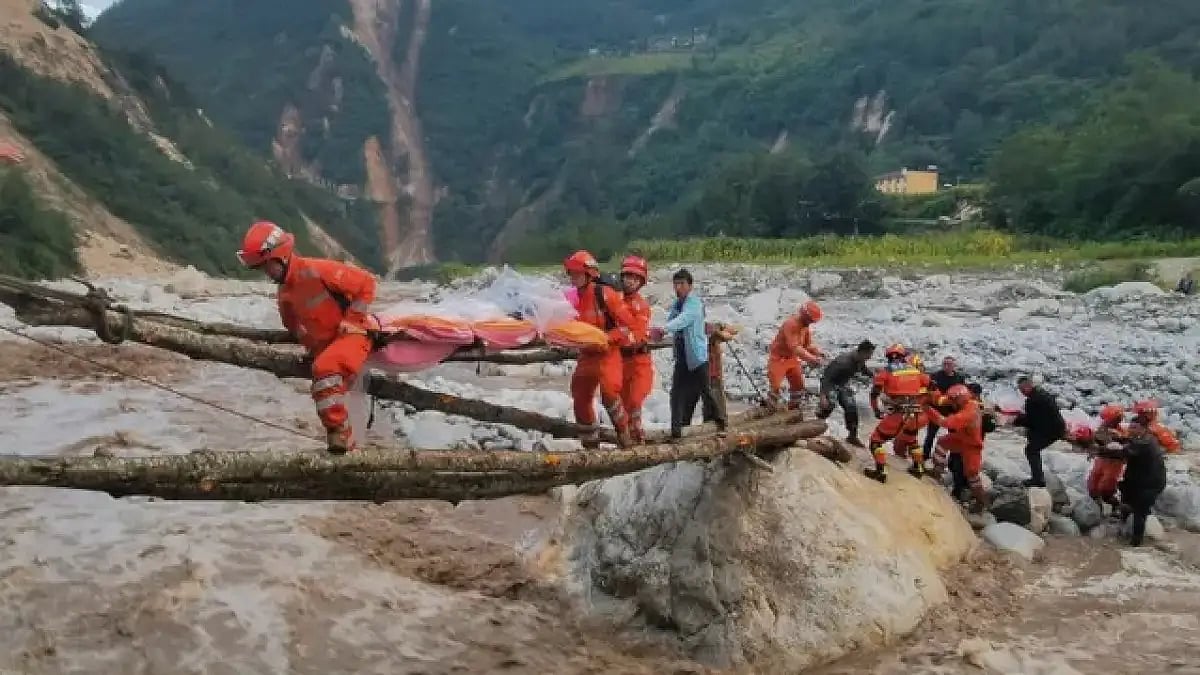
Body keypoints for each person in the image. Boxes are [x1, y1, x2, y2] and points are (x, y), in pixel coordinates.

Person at [237, 221, 377, 454]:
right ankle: (349, 450)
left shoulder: (318, 270)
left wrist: (352, 319)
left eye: (267, 266)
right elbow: (294, 326)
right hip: (327, 346)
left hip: (353, 336)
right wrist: (311, 348)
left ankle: (337, 433)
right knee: (326, 377)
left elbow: (366, 283)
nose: (267, 273)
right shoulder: (284, 294)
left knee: (325, 369)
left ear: (280, 256)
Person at [563, 250, 637, 449]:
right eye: (571, 274)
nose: (573, 278)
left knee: (609, 393)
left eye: (577, 273)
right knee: (579, 396)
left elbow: (627, 325)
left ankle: (624, 433)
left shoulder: (605, 295)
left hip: (607, 353)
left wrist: (608, 338)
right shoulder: (570, 299)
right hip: (587, 355)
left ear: (589, 274)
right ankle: (590, 444)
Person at [656, 269, 726, 439]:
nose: (678, 288)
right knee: (677, 393)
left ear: (690, 286)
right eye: (676, 284)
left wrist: (664, 329)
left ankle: (720, 423)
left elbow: (683, 320)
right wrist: (660, 330)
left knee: (705, 391)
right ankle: (677, 429)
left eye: (682, 284)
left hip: (697, 357)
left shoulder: (694, 303)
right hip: (682, 357)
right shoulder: (676, 305)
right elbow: (672, 319)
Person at [865, 344, 932, 482]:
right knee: (911, 439)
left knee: (876, 441)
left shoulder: (885, 372)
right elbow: (932, 386)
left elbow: (874, 394)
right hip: (916, 413)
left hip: (898, 413)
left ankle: (881, 471)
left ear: (888, 357)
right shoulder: (915, 371)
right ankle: (918, 467)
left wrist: (876, 410)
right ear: (903, 357)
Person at [923, 384, 988, 512]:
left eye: (953, 401)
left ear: (960, 399)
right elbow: (942, 400)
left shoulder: (969, 411)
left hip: (972, 444)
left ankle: (981, 502)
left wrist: (927, 409)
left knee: (972, 475)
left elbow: (945, 422)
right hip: (961, 437)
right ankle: (937, 472)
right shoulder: (961, 399)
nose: (951, 403)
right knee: (942, 443)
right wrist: (931, 395)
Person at [1114, 418, 1168, 547]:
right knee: (1126, 497)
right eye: (1130, 427)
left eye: (1134, 427)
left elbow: (1123, 453)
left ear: (1143, 428)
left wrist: (1099, 450)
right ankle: (1124, 529)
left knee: (1140, 512)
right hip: (1137, 480)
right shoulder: (1144, 439)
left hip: (1150, 484)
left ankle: (1135, 543)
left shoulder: (1146, 443)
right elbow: (1130, 443)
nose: (1130, 430)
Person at [617, 255, 653, 444]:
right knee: (621, 405)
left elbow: (638, 334)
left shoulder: (641, 306)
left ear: (640, 282)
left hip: (639, 362)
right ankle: (627, 441)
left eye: (633, 278)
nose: (628, 281)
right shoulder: (615, 300)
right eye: (627, 276)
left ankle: (638, 440)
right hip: (621, 361)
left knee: (634, 402)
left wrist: (616, 338)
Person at [816, 340, 876, 447]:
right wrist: (823, 396)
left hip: (843, 384)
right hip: (832, 384)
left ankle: (852, 436)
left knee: (851, 407)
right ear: (862, 352)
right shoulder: (843, 361)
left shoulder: (860, 360)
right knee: (828, 405)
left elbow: (863, 369)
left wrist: (874, 376)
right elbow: (826, 378)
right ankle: (815, 429)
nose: (869, 357)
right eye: (869, 355)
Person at [766, 300, 824, 411]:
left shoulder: (805, 327)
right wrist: (812, 359)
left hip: (792, 359)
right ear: (804, 316)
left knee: (798, 386)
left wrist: (818, 352)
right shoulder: (791, 324)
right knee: (775, 386)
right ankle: (769, 410)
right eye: (810, 320)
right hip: (778, 359)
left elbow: (807, 345)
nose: (810, 323)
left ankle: (794, 409)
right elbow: (795, 347)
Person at [1013, 375, 1066, 487]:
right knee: (1032, 442)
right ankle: (1038, 477)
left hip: (1052, 430)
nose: (1022, 392)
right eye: (1020, 390)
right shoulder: (1041, 393)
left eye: (1023, 389)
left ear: (1029, 385)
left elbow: (1032, 421)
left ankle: (1038, 479)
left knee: (1031, 450)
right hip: (1055, 426)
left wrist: (1016, 420)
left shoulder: (1033, 400)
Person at [923, 356, 967, 458]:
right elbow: (929, 391)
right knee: (930, 435)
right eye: (944, 364)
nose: (946, 366)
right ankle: (925, 455)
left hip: (952, 412)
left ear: (954, 366)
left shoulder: (959, 378)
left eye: (949, 364)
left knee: (953, 437)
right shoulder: (935, 376)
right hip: (937, 410)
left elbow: (963, 393)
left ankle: (953, 459)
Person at [1086, 404, 1129, 509]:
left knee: (1106, 486)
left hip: (1115, 462)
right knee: (1093, 482)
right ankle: (1096, 502)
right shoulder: (1103, 429)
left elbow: (1124, 449)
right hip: (1102, 459)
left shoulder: (1122, 432)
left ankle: (1113, 504)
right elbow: (1095, 441)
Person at [702, 321, 739, 425]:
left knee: (713, 393)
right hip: (710, 370)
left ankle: (714, 418)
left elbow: (730, 331)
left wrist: (722, 327)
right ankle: (718, 417)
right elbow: (724, 336)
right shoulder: (709, 334)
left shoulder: (705, 328)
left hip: (713, 369)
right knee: (714, 393)